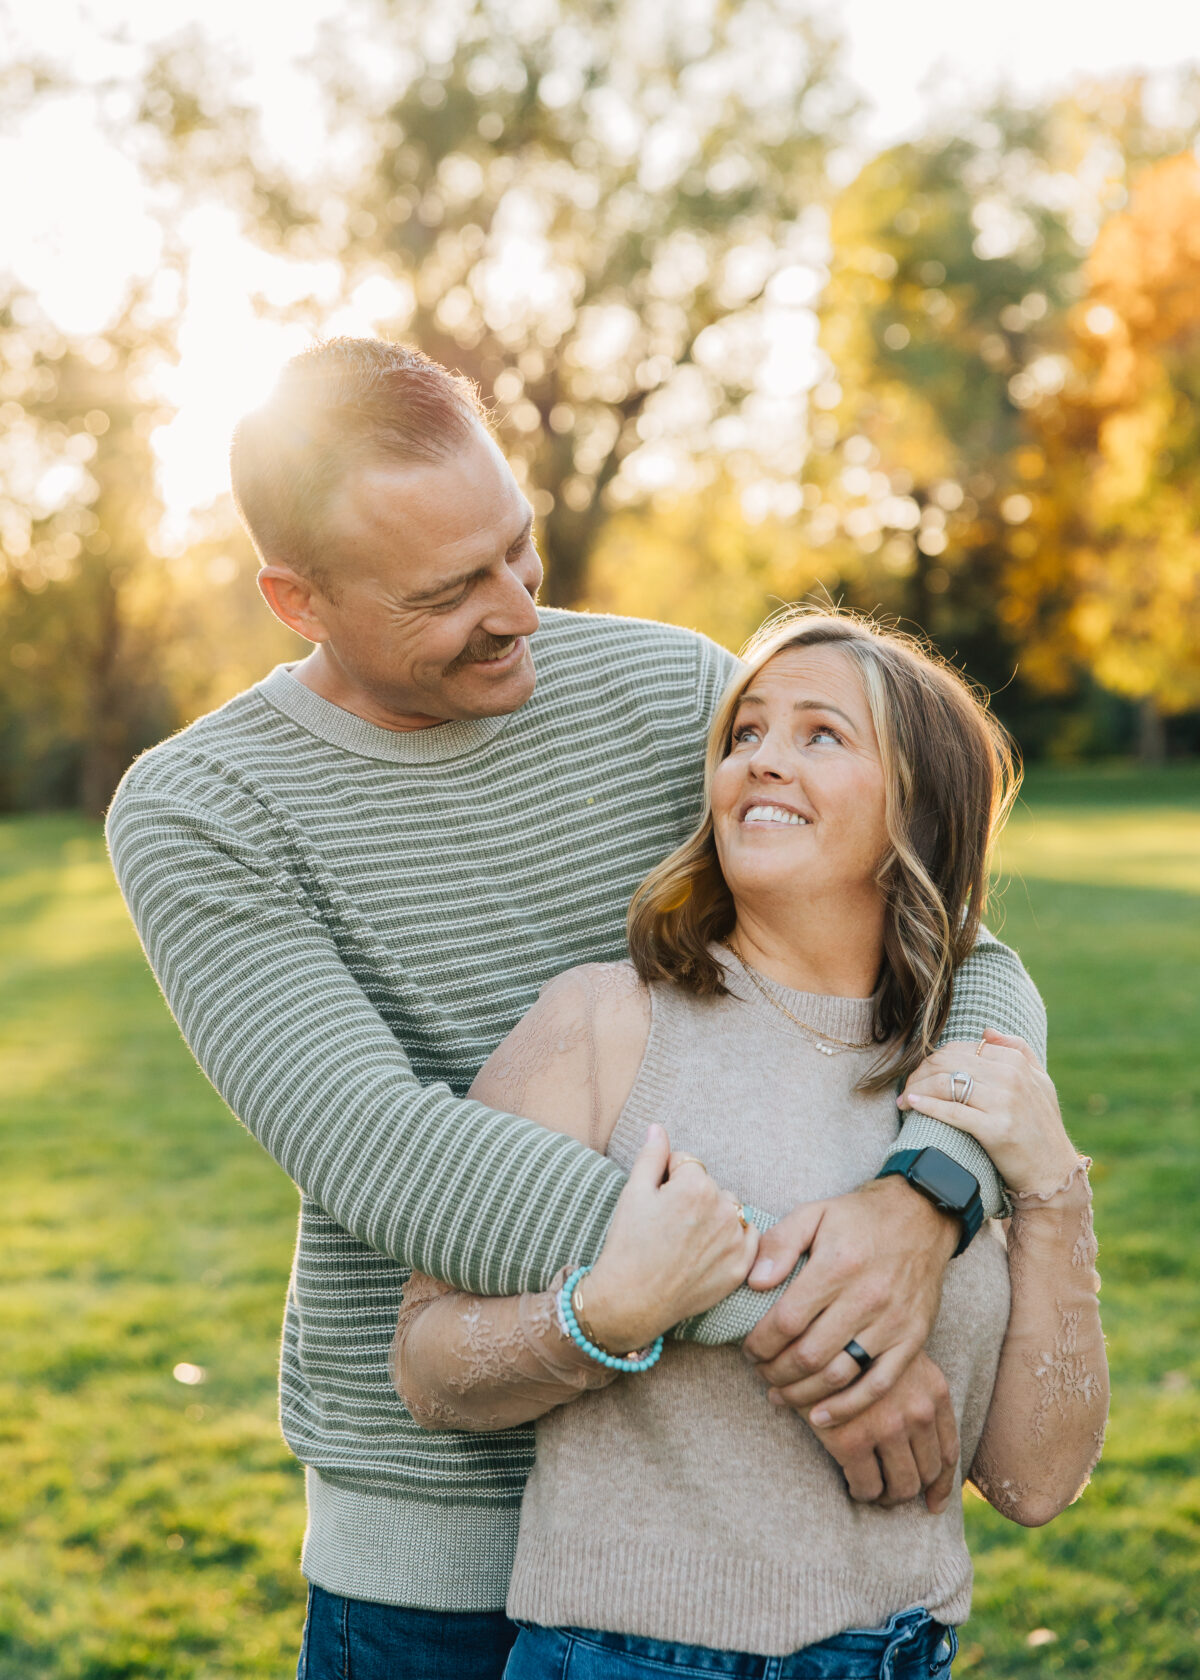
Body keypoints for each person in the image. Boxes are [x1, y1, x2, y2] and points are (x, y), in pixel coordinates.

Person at [107, 338, 1041, 1680]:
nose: (518, 610)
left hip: (722, 1516)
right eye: (448, 593)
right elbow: (379, 1147)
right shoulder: (203, 808)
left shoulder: (670, 692)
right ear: (296, 600)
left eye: (516, 546)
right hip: (442, 1530)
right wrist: (816, 1328)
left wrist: (924, 1196)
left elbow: (962, 959)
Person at [393, 609, 1108, 1679]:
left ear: (919, 806)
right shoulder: (603, 1023)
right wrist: (606, 1315)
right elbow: (427, 1364)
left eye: (822, 734)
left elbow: (1033, 1482)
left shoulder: (962, 1082)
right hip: (623, 1659)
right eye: (745, 734)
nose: (762, 760)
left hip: (901, 1652)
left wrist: (1053, 1195)